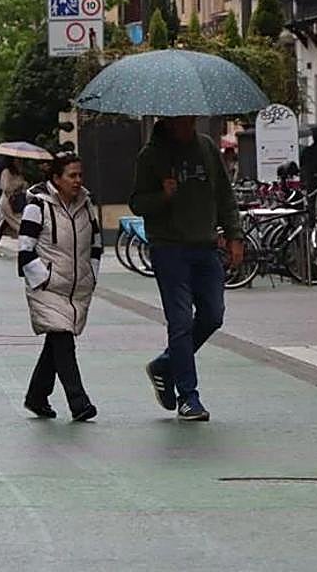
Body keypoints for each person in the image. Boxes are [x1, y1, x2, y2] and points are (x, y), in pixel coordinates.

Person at [131, 116, 242, 422]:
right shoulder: (151, 156)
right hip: (169, 248)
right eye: (181, 119)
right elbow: (137, 203)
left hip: (205, 246)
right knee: (179, 321)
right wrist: (162, 196)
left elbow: (224, 195)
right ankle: (188, 397)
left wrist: (234, 235)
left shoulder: (206, 147)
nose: (188, 123)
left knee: (212, 315)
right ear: (167, 120)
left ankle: (165, 364)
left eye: (191, 118)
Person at [19, 152, 101, 422]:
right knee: (63, 342)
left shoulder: (87, 206)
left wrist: (91, 275)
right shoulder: (37, 206)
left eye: (80, 175)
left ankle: (36, 397)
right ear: (56, 178)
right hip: (48, 288)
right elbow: (25, 252)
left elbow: (96, 246)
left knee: (55, 345)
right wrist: (43, 278)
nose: (78, 181)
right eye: (71, 175)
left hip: (77, 288)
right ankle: (79, 402)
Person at [0, 159, 28, 256]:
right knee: (10, 222)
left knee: (6, 222)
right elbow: (5, 187)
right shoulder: (6, 172)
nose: (19, 163)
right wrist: (18, 185)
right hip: (7, 201)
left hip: (16, 201)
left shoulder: (19, 173)